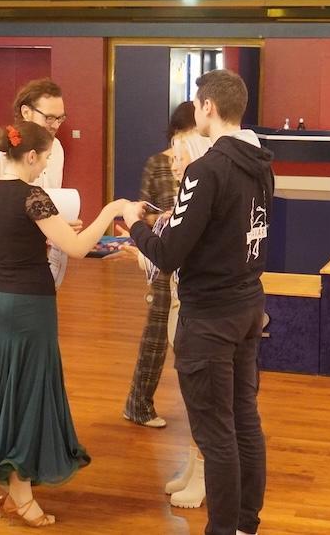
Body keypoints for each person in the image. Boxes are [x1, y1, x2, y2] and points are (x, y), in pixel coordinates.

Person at [0, 121, 129, 528]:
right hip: (32, 306)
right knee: (29, 392)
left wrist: (27, 246)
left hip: (0, 302)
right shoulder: (34, 197)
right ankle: (21, 492)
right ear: (31, 156)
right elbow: (78, 248)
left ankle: (4, 481)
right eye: (46, 157)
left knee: (6, 387)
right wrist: (111, 210)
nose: (47, 164)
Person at [123, 69, 274, 535]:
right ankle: (246, 524)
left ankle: (222, 529)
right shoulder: (260, 162)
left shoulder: (206, 169)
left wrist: (134, 224)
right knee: (244, 420)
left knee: (217, 433)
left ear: (208, 107)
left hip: (210, 316)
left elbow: (168, 254)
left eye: (196, 103)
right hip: (247, 305)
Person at [117, 111, 212, 508]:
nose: (171, 165)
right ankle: (194, 464)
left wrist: (137, 231)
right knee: (192, 392)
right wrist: (141, 252)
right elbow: (169, 257)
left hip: (198, 309)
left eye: (178, 157)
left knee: (203, 397)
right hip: (180, 302)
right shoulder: (186, 200)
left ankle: (205, 473)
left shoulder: (201, 199)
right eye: (171, 155)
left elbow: (177, 255)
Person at [122, 101, 199, 429]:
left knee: (182, 335)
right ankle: (138, 403)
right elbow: (144, 211)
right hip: (161, 254)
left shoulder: (204, 164)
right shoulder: (158, 164)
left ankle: (193, 406)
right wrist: (163, 220)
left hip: (184, 259)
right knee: (156, 332)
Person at [0, 80, 77, 286]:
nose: (55, 125)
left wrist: (58, 225)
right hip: (13, 263)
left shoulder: (57, 148)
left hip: (44, 255)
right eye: (49, 117)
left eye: (60, 118)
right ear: (26, 112)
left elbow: (46, 200)